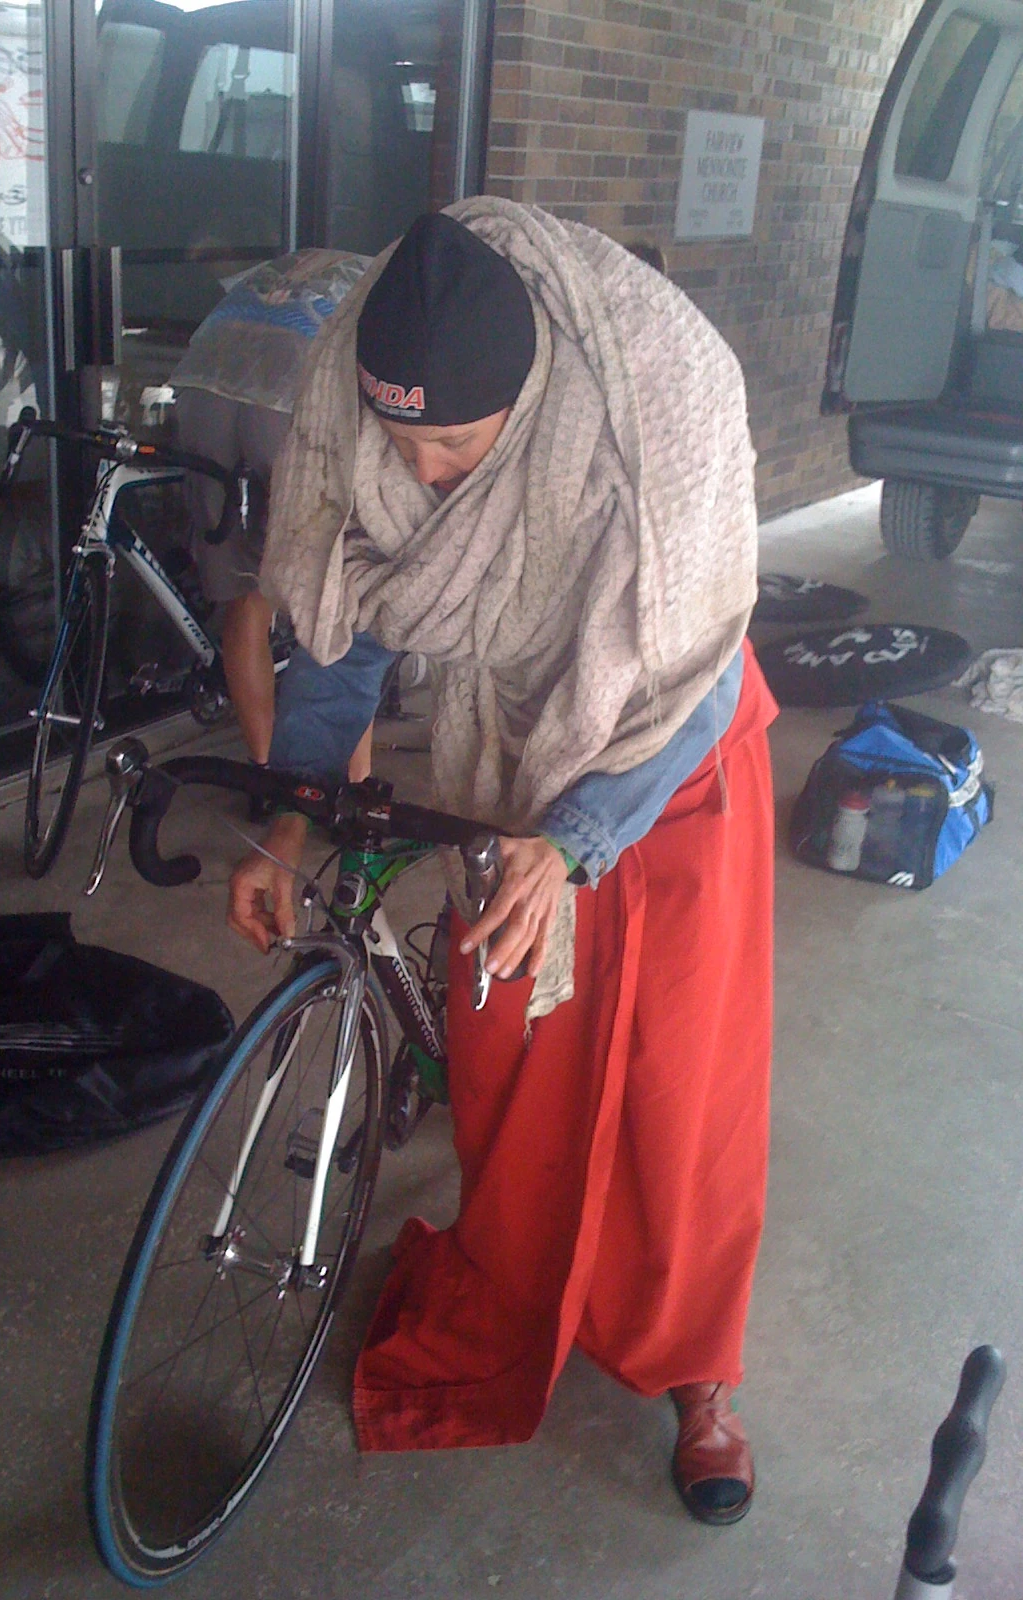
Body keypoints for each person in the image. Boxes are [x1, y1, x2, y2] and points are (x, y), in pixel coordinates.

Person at [227, 200, 777, 1526]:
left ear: (524, 403)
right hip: (507, 758)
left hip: (675, 770)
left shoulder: (658, 419)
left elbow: (696, 673)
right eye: (399, 440)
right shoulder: (369, 413)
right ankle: (526, 1286)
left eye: (452, 445)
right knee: (510, 1069)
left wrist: (577, 839)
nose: (419, 474)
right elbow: (350, 617)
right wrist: (292, 812)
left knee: (675, 1095)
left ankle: (698, 1376)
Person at [172, 248, 374, 776]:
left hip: (200, 386)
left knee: (245, 600)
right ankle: (353, 788)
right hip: (288, 397)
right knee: (336, 608)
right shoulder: (386, 283)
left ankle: (265, 775)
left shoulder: (293, 266)